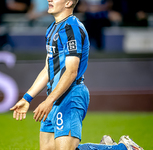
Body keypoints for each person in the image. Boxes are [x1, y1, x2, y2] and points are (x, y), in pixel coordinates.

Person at [10, 0, 143, 149]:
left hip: (70, 94)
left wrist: (49, 101)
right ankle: (108, 148)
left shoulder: (72, 28)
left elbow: (72, 71)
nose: (49, 0)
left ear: (68, 3)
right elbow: (48, 68)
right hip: (55, 96)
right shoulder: (52, 29)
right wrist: (27, 98)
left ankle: (124, 148)